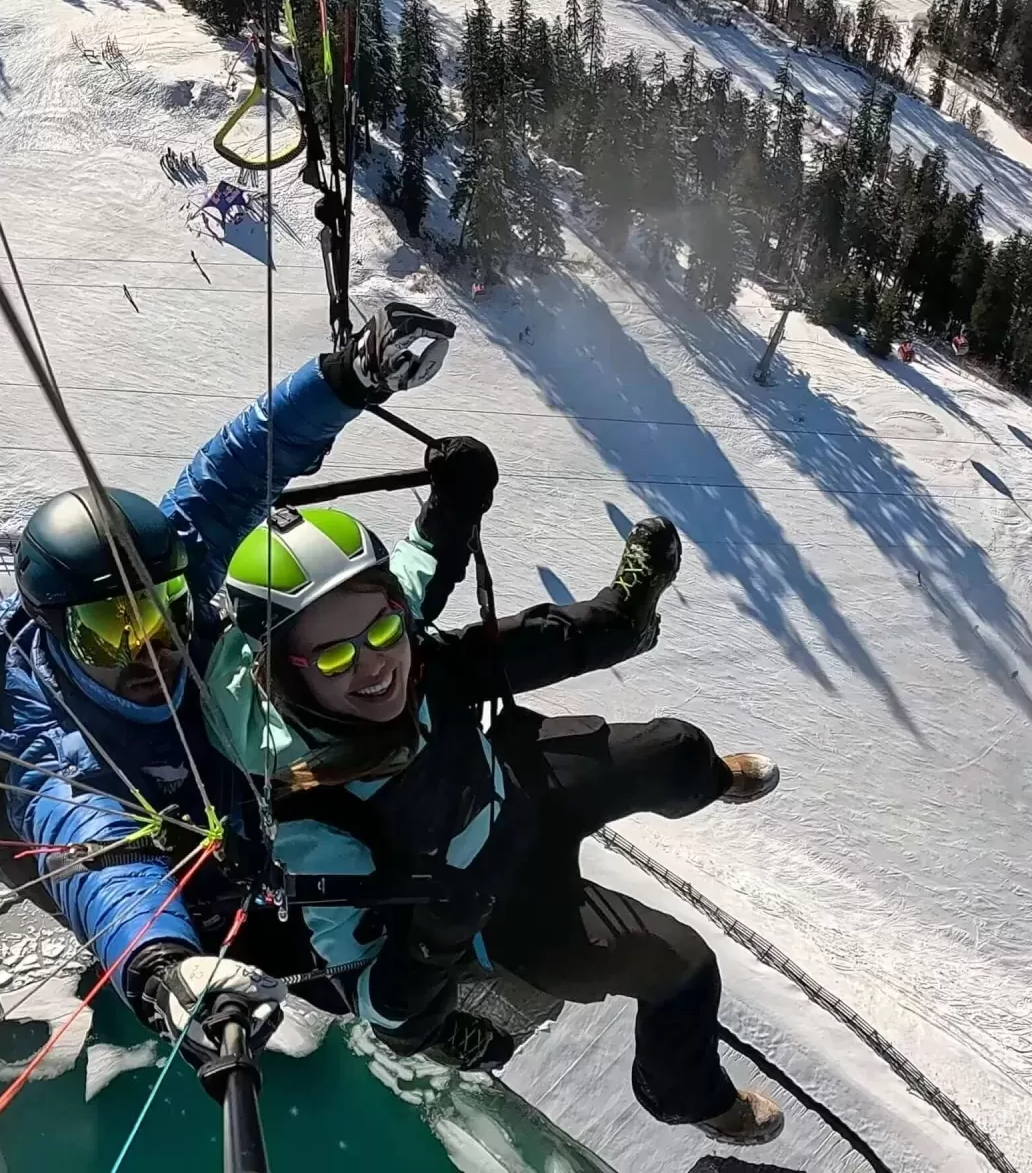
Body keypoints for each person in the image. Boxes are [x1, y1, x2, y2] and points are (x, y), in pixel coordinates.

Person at [200, 488, 789, 1147]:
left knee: (673, 750)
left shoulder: (399, 646)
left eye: (383, 631)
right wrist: (433, 941)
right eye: (337, 657)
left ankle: (702, 772)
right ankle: (688, 1096)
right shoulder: (316, 816)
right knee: (681, 963)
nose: (374, 666)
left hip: (511, 791)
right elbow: (370, 997)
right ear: (285, 672)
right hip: (499, 911)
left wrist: (449, 509)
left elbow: (419, 577)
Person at [0, 303, 458, 1026]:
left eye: (165, 611)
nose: (153, 649)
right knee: (307, 973)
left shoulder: (160, 565)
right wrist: (159, 965)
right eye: (110, 634)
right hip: (195, 880)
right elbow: (95, 849)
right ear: (58, 638)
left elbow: (237, 472)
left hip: (244, 810)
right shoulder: (59, 741)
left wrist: (346, 379)